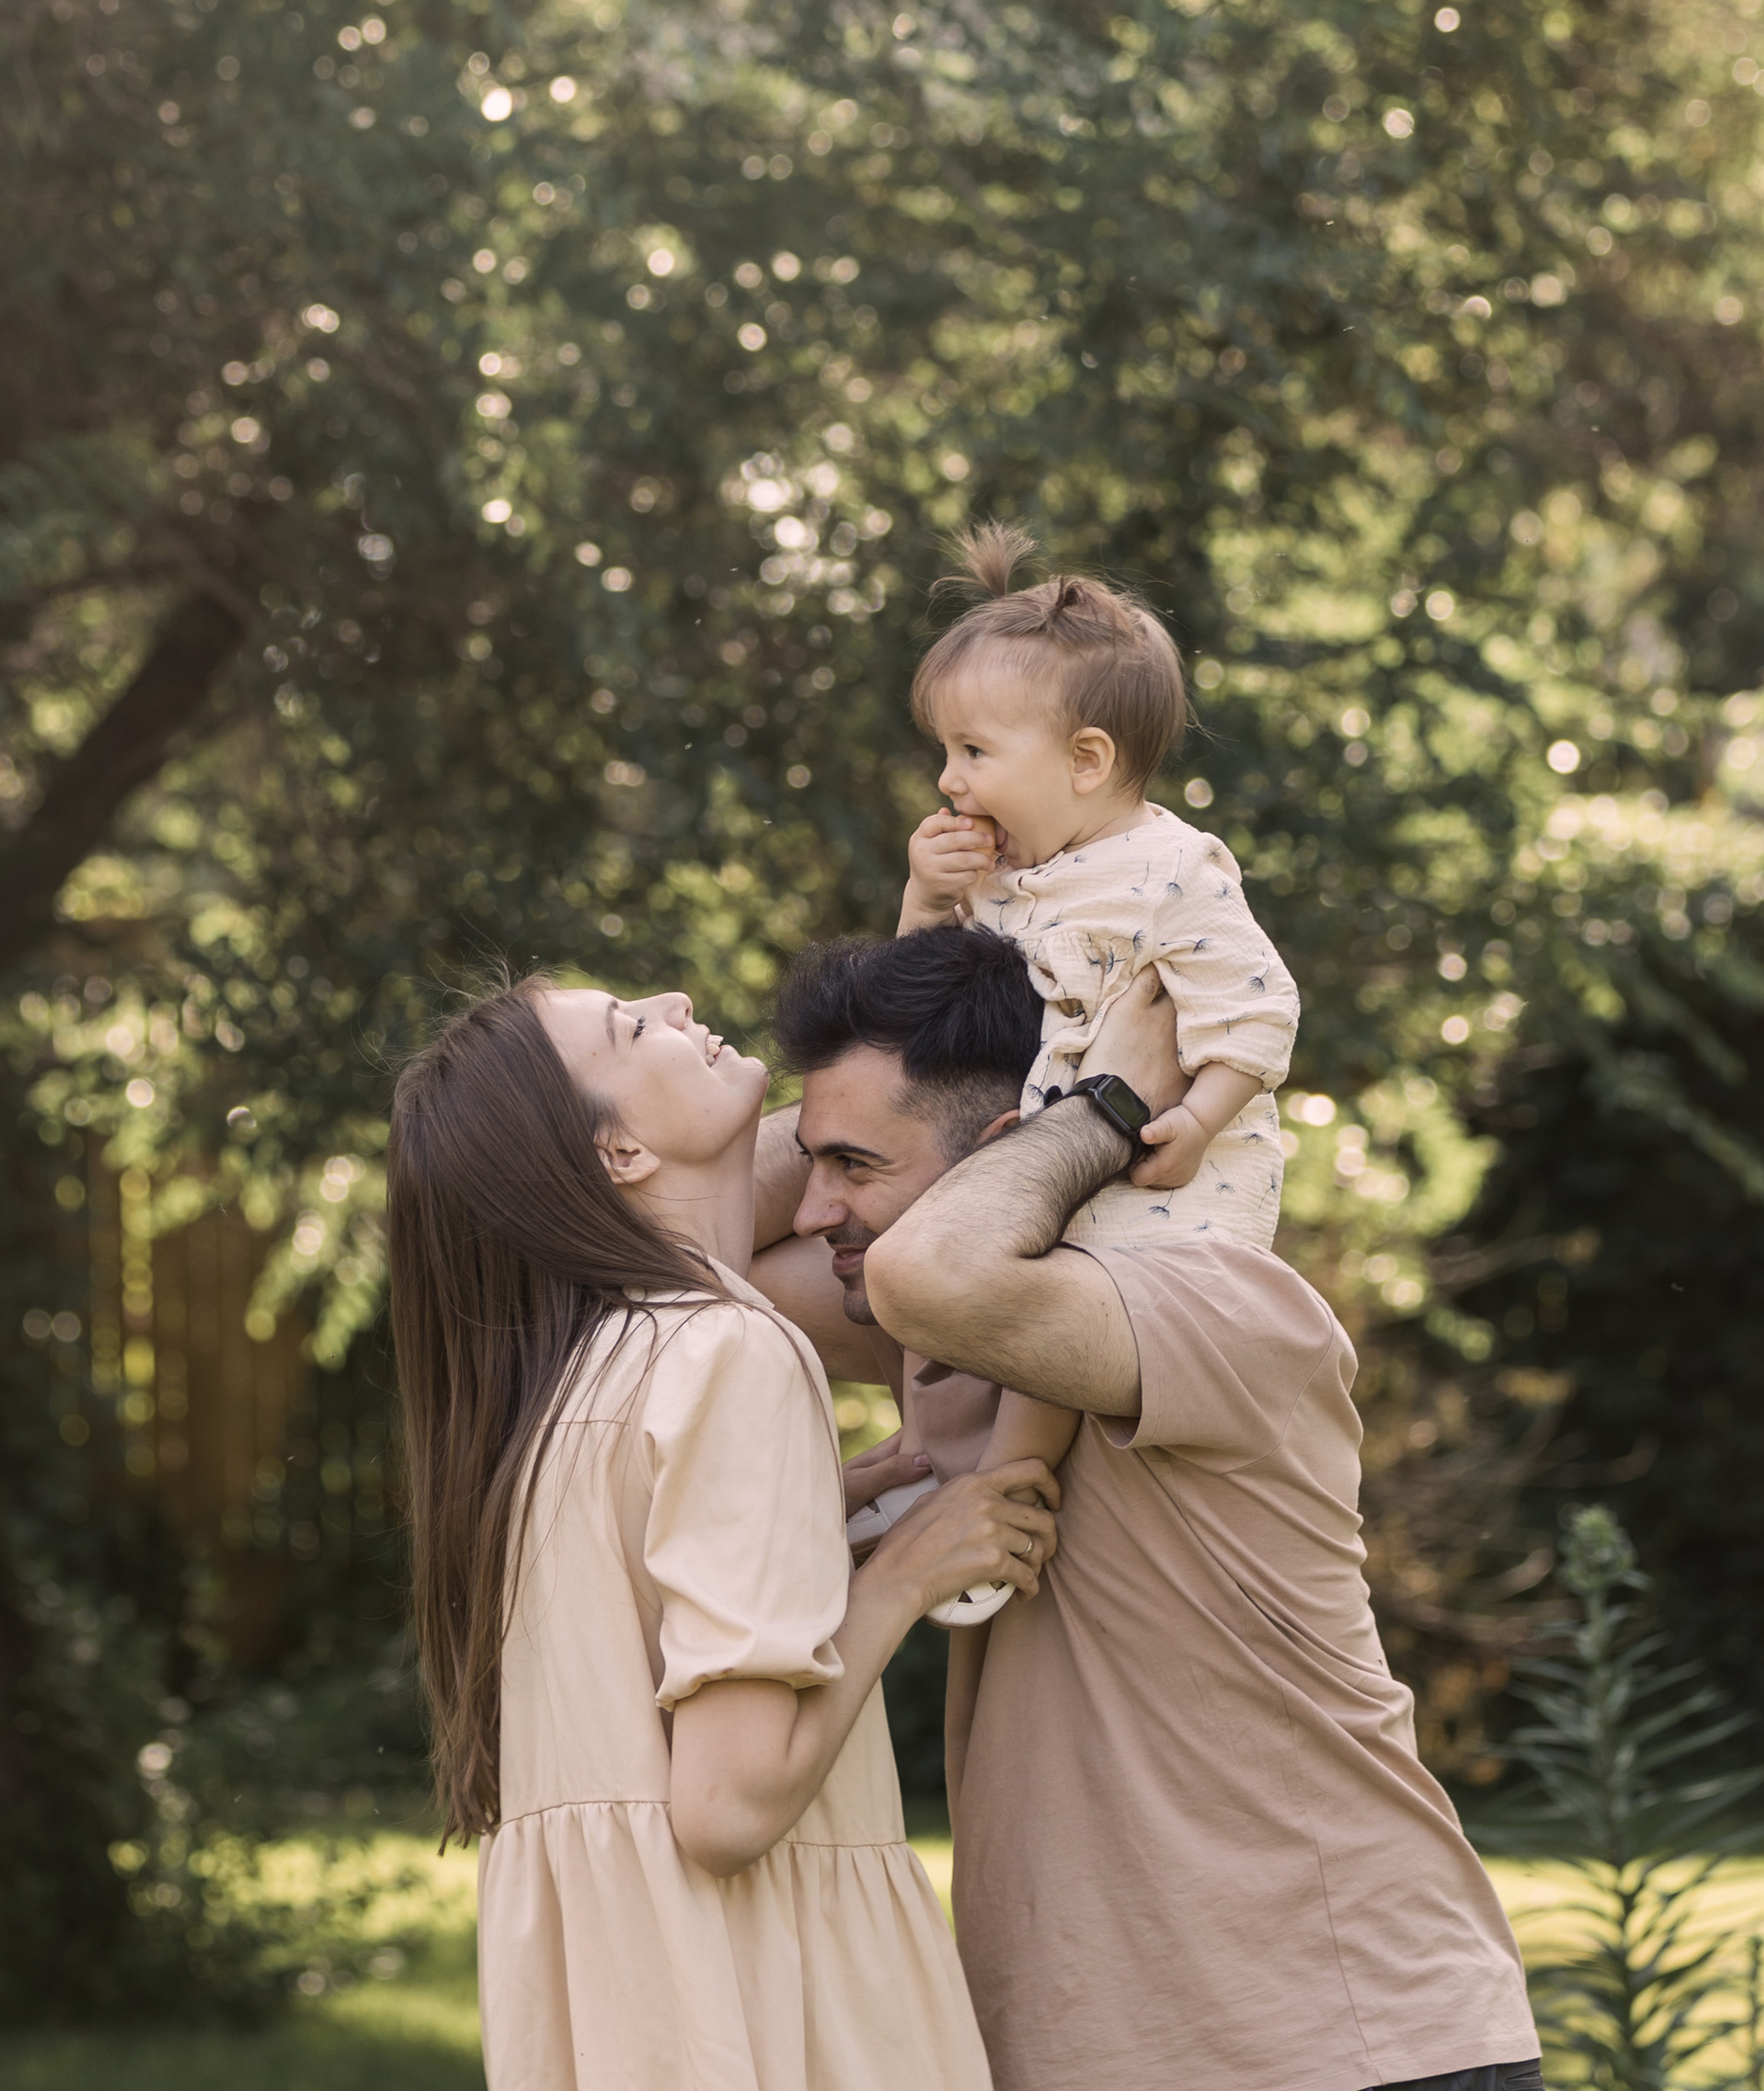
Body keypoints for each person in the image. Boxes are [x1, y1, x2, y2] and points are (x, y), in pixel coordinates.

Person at [751, 928, 1543, 2091]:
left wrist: (1098, 1099)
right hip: (1093, 2052)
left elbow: (937, 1271)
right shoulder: (940, 1334)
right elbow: (651, 1240)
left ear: (1009, 1150)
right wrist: (896, 1096)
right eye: (813, 1162)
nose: (817, 1209)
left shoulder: (1218, 1307)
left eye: (855, 1166)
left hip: (1340, 2044)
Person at [385, 975, 1060, 2091]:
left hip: (629, 2013)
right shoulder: (725, 1354)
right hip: (757, 2005)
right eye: (628, 1027)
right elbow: (725, 1804)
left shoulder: (570, 1382)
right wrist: (901, 1574)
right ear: (617, 1154)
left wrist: (809, 1527)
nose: (674, 997)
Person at [880, 523, 1304, 1552]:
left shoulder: (1174, 871)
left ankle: (997, 1506)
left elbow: (1258, 1007)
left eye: (973, 752)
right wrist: (922, 897)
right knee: (967, 1329)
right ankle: (940, 1477)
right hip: (1041, 1171)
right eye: (946, 751)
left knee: (1036, 1354)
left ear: (1085, 761)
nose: (948, 780)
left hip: (1166, 1193)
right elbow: (914, 1003)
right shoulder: (1001, 878)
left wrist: (1197, 1122)